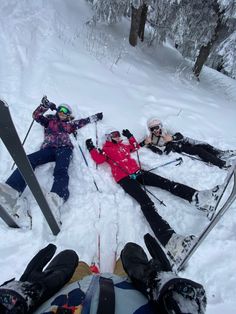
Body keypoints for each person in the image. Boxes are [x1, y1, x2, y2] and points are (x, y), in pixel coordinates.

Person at [85, 129, 223, 260]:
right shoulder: (106, 150)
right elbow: (99, 160)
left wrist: (130, 136)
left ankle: (198, 198)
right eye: (114, 134)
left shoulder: (122, 146)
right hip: (124, 179)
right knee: (146, 203)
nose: (118, 136)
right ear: (108, 137)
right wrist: (91, 148)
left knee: (166, 183)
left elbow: (134, 147)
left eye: (118, 133)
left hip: (137, 172)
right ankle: (169, 240)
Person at [0, 238, 207, 314]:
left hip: (66, 295)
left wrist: (14, 301)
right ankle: (116, 267)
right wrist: (174, 297)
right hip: (134, 295)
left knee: (76, 265)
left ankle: (88, 268)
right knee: (125, 265)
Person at [0, 96, 103, 224]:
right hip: (48, 149)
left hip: (64, 149)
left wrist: (95, 117)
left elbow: (84, 121)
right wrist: (45, 106)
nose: (62, 112)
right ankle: (11, 190)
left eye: (65, 111)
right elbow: (36, 116)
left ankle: (57, 197)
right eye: (60, 110)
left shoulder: (70, 125)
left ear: (68, 115)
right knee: (28, 160)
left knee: (61, 170)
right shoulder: (49, 121)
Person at [140, 118, 236, 169]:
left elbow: (180, 135)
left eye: (157, 127)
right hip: (179, 147)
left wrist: (172, 137)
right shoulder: (152, 139)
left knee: (204, 144)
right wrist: (146, 143)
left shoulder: (166, 130)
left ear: (160, 126)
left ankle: (220, 153)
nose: (155, 130)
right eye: (152, 129)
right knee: (199, 150)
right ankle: (221, 163)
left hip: (183, 140)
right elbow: (159, 151)